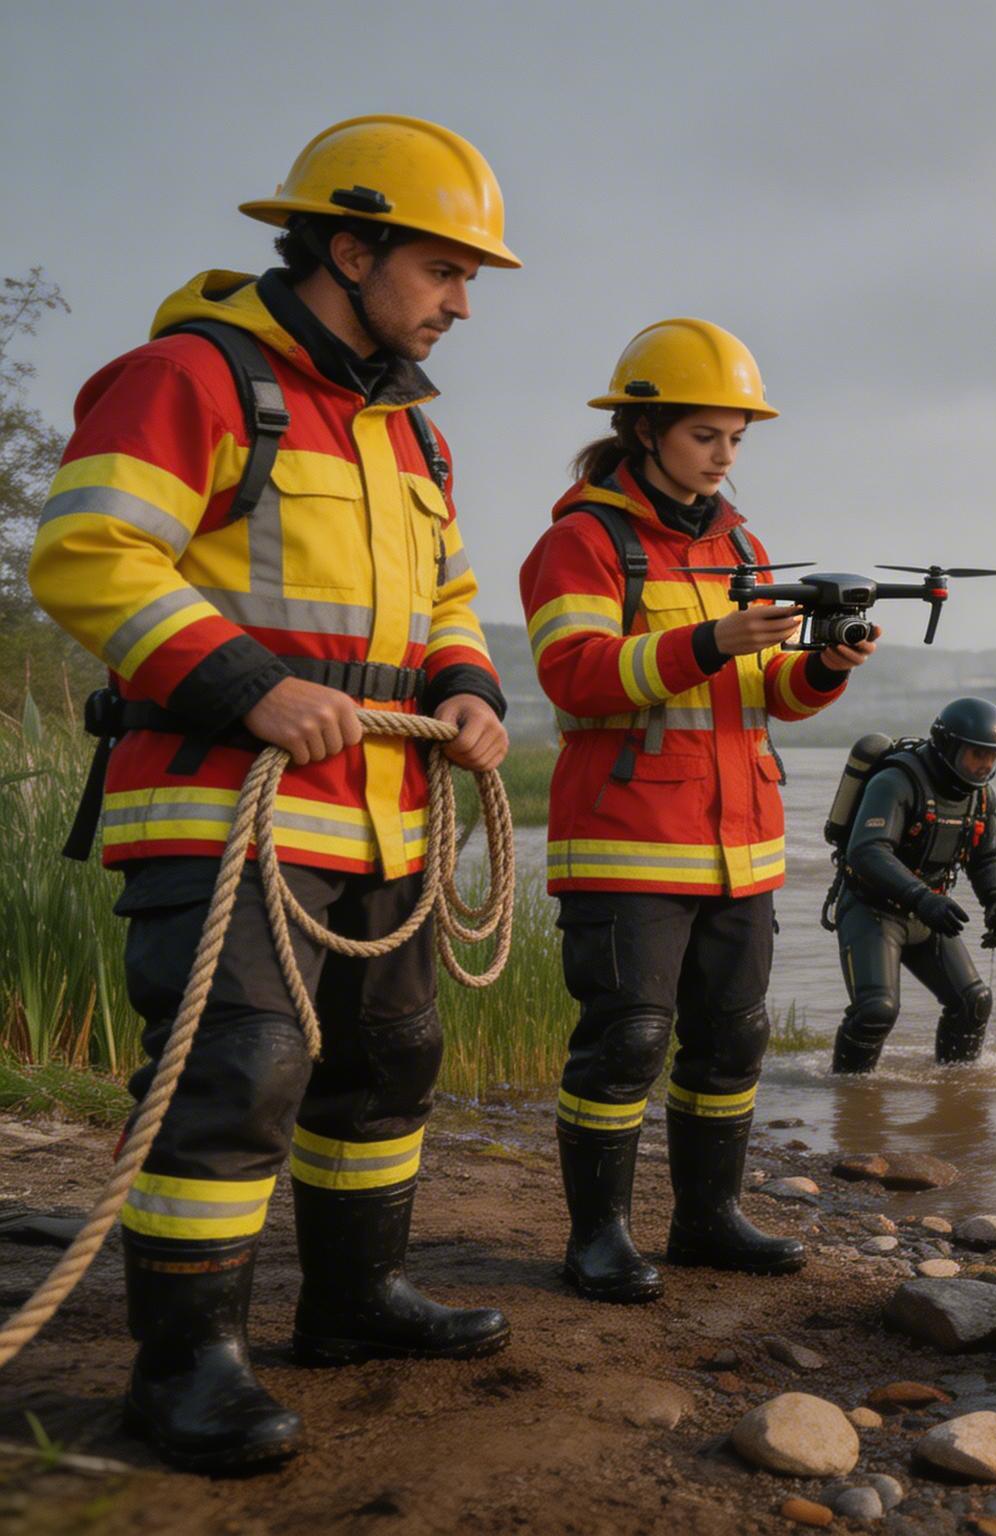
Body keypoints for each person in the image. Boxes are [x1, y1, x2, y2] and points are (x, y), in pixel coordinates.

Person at [25, 115, 518, 1472]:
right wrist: (244, 683)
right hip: (218, 808)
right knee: (235, 1077)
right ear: (348, 247)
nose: (463, 304)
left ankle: (353, 1306)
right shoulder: (192, 376)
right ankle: (184, 1375)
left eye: (470, 280)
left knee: (384, 1065)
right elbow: (88, 554)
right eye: (443, 271)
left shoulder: (411, 437)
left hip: (379, 814)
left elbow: (452, 597)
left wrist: (470, 690)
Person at [519, 318, 871, 1304]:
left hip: (740, 847)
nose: (723, 457)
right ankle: (598, 1241)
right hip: (627, 842)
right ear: (646, 430)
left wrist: (822, 668)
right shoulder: (580, 542)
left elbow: (767, 698)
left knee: (735, 1036)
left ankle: (707, 1222)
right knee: (626, 1041)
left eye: (736, 440)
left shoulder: (745, 545)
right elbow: (576, 678)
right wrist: (712, 638)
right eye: (705, 435)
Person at [828, 698, 996, 1073]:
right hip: (872, 911)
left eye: (994, 756)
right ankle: (849, 1104)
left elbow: (986, 856)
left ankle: (955, 1092)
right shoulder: (895, 781)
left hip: (930, 913)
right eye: (978, 754)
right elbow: (867, 851)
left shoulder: (980, 797)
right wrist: (922, 899)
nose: (986, 765)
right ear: (948, 746)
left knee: (973, 1002)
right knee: (876, 1011)